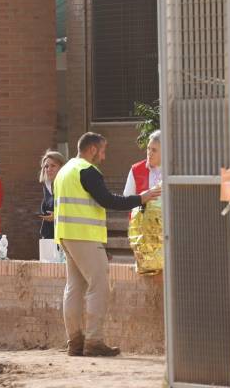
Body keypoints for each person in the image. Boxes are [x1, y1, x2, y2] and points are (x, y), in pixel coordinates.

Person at [54, 132, 161, 357]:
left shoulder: (65, 170)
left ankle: (74, 342)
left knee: (73, 287)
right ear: (92, 149)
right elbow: (109, 200)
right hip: (85, 236)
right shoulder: (87, 170)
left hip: (66, 235)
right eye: (102, 151)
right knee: (99, 287)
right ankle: (94, 341)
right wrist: (142, 198)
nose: (103, 156)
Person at [123, 130, 162, 197]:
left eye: (154, 150)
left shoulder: (173, 170)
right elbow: (127, 199)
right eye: (148, 148)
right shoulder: (136, 169)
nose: (149, 153)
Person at [38, 151, 66, 240]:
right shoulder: (47, 186)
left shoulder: (66, 185)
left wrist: (56, 216)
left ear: (61, 167)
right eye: (46, 166)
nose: (48, 169)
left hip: (64, 236)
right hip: (48, 235)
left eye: (53, 166)